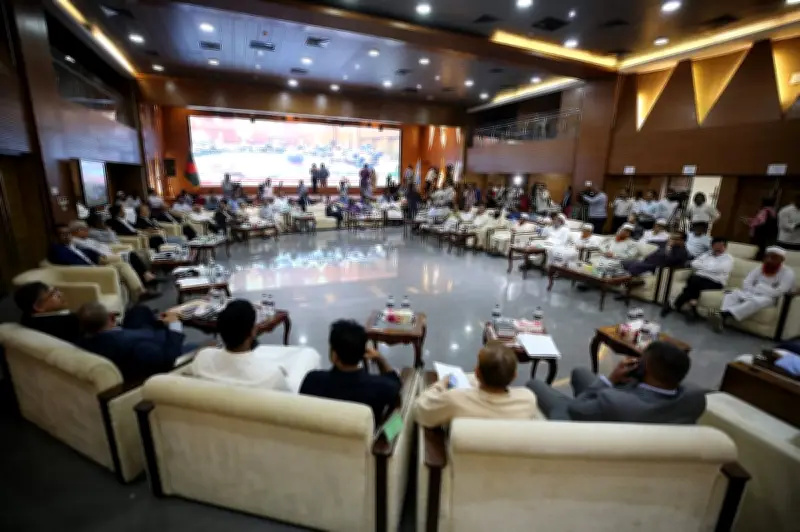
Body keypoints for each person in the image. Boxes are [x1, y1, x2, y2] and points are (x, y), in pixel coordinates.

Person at [526, 342, 705, 424]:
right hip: (635, 409)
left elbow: (577, 408)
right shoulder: (695, 398)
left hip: (582, 419)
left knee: (534, 385)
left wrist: (610, 380)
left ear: (646, 369)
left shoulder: (614, 401)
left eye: (641, 361)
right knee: (579, 372)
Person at [191, 300, 321, 392]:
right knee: (309, 355)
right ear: (253, 331)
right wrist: (280, 373)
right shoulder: (271, 375)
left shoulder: (202, 359)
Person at [414, 344, 539, 428]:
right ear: (514, 376)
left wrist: (440, 385)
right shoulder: (527, 400)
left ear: (477, 373)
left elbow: (421, 410)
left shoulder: (455, 400)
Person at [300, 320, 402, 422]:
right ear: (363, 353)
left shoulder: (311, 381)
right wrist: (380, 359)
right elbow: (397, 382)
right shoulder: (381, 387)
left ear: (334, 356)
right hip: (366, 432)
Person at [77, 302, 193, 383]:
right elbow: (169, 359)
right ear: (111, 318)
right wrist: (174, 325)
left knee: (139, 310)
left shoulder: (83, 340)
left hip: (132, 336)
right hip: (160, 349)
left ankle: (159, 320)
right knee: (197, 348)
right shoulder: (136, 345)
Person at [67, 220, 160, 299]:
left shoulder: (86, 239)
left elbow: (103, 245)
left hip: (109, 253)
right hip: (103, 259)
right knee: (130, 257)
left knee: (140, 253)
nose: (88, 231)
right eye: (85, 229)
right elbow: (95, 254)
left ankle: (146, 277)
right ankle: (143, 286)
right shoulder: (76, 242)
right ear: (78, 231)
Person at [713, 247, 796, 332]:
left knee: (755, 301)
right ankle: (722, 320)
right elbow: (747, 282)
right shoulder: (760, 268)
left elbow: (780, 291)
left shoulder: (787, 272)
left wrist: (760, 287)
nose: (769, 260)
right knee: (732, 295)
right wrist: (756, 289)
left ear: (781, 260)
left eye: (773, 258)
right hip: (752, 292)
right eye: (767, 257)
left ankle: (723, 315)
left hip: (769, 298)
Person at [662, 237, 733, 319]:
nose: (718, 249)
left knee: (693, 282)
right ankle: (692, 307)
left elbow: (719, 269)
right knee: (693, 280)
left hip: (716, 282)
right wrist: (708, 268)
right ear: (712, 246)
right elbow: (694, 263)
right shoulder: (707, 254)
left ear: (725, 247)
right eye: (716, 246)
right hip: (699, 278)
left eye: (721, 246)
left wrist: (703, 267)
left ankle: (674, 304)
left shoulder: (728, 259)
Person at [14, 282, 81, 343]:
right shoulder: (67, 323)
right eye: (53, 294)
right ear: (38, 307)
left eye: (56, 290)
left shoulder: (27, 318)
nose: (60, 294)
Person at [621, 232, 690, 277]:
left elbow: (669, 260)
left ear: (682, 241)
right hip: (646, 261)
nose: (672, 240)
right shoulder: (667, 243)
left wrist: (669, 248)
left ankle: (626, 280)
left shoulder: (683, 252)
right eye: (672, 238)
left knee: (635, 266)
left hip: (656, 266)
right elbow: (652, 241)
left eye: (675, 239)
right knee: (624, 263)